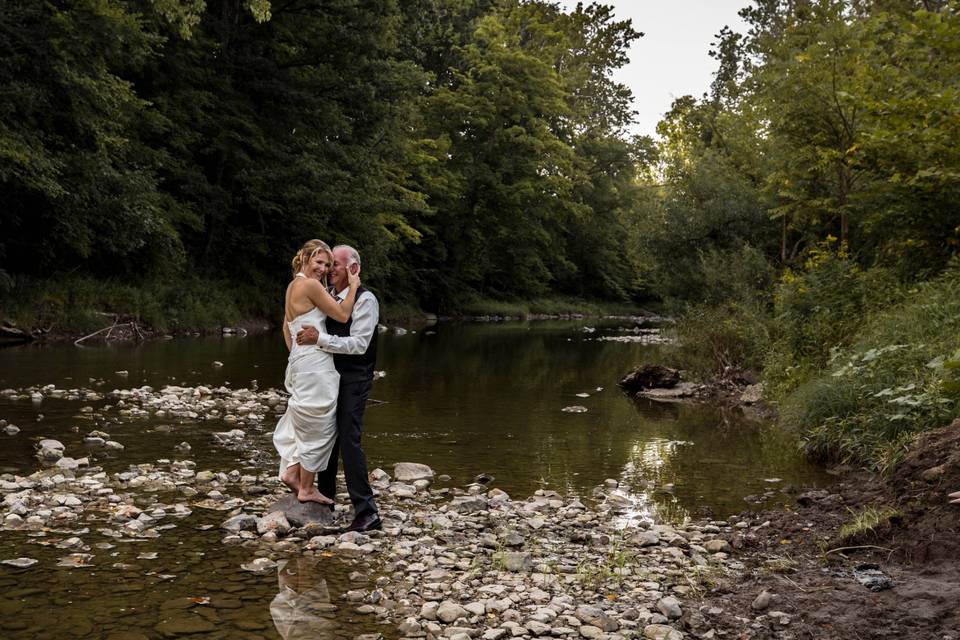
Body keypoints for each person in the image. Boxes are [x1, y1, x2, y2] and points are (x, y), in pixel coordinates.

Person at [296, 244, 381, 532]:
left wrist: (319, 339)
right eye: (329, 264)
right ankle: (325, 500)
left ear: (353, 269)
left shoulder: (366, 300)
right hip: (327, 376)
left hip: (355, 377)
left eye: (336, 265)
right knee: (325, 436)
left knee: (348, 439)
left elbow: (359, 345)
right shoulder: (329, 295)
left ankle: (367, 512)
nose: (330, 270)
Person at [273, 239, 359, 505]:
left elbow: (286, 326)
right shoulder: (310, 285)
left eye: (327, 264)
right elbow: (343, 315)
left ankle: (291, 472)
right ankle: (307, 488)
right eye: (318, 262)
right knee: (319, 423)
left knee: (304, 416)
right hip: (315, 363)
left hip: (300, 361)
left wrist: (296, 356)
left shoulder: (293, 286)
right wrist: (354, 286)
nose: (323, 268)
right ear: (305, 258)